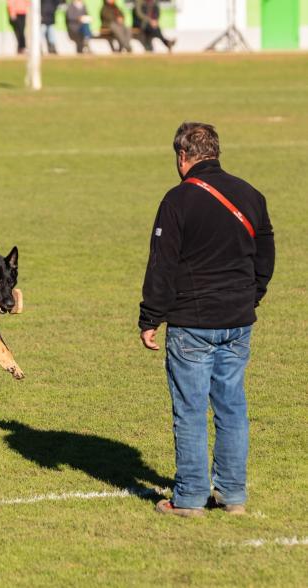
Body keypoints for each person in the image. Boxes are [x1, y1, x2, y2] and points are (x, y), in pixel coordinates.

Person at [139, 122, 275, 517]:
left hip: (191, 324)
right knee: (232, 407)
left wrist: (150, 317)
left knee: (191, 410)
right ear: (215, 151)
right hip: (238, 319)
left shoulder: (177, 200)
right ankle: (233, 496)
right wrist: (252, 296)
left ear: (183, 157)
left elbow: (161, 265)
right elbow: (265, 255)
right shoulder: (251, 194)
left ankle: (191, 498)